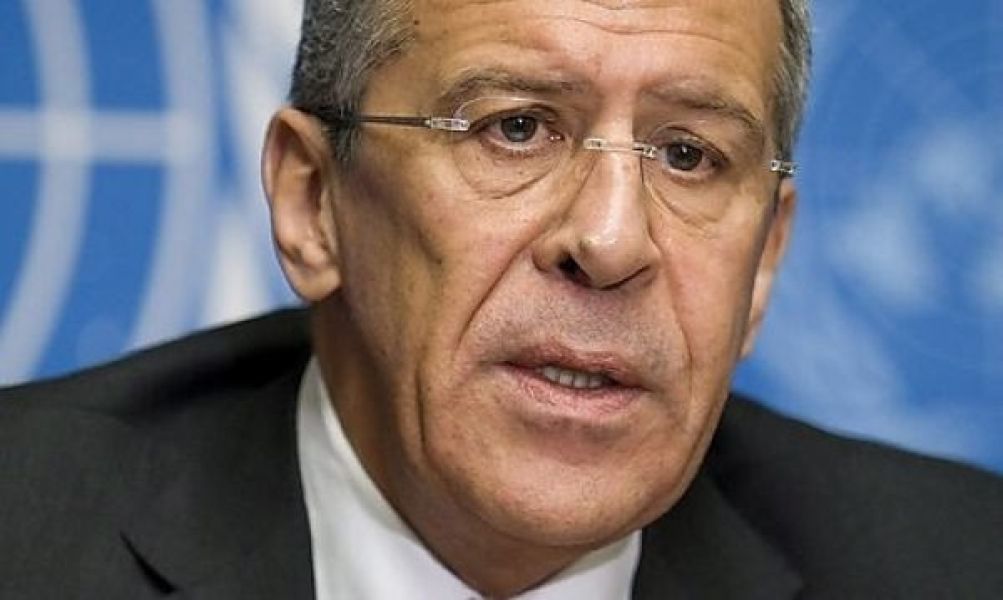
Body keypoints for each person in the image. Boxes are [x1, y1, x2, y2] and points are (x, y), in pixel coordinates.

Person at [2, 0, 1002, 598]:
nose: (611, 241)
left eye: (688, 155)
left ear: (764, 263)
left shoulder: (958, 567)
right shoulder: (27, 535)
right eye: (516, 128)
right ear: (312, 202)